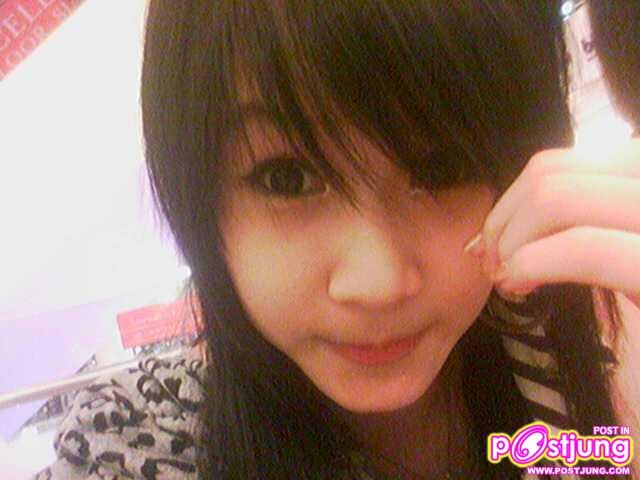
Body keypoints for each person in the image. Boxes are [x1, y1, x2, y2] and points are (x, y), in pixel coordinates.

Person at [34, 1, 640, 479]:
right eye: (287, 178)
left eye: (443, 168)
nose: (378, 282)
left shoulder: (561, 354)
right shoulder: (133, 449)